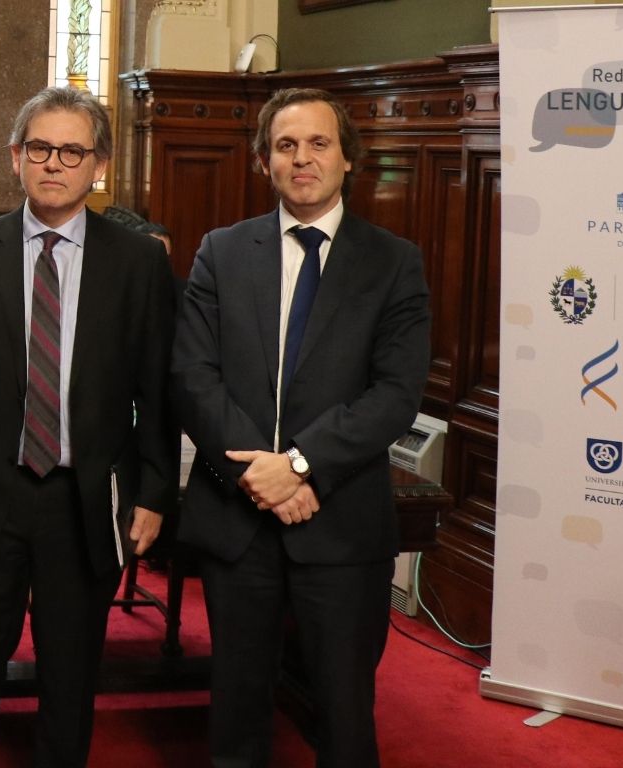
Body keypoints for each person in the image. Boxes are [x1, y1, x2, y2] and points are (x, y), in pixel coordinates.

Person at [0, 86, 177, 768]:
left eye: (72, 151)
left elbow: (159, 391)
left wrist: (152, 495)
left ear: (99, 165)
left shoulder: (140, 262)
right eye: (40, 149)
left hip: (83, 501)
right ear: (15, 158)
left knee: (71, 673)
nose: (54, 164)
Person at [171, 87, 431, 768]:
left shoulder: (393, 261)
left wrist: (302, 466)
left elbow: (395, 394)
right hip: (239, 519)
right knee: (237, 706)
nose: (302, 158)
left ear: (348, 159)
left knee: (345, 714)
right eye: (286, 145)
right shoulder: (221, 252)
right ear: (264, 162)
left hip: (341, 523)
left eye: (319, 143)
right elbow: (193, 377)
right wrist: (261, 476)